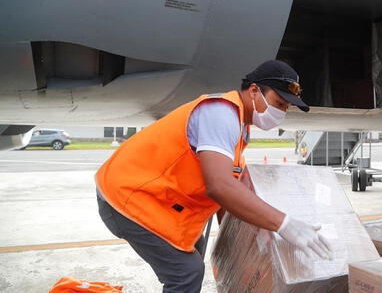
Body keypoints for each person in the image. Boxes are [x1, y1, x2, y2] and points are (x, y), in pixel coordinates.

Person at [95, 60, 331, 293]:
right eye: (278, 103)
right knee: (186, 272)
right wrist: (283, 224)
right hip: (128, 196)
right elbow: (219, 186)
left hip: (160, 201)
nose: (280, 113)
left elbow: (229, 197)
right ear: (254, 91)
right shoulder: (221, 114)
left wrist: (246, 239)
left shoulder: (240, 126)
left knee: (193, 251)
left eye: (285, 108)